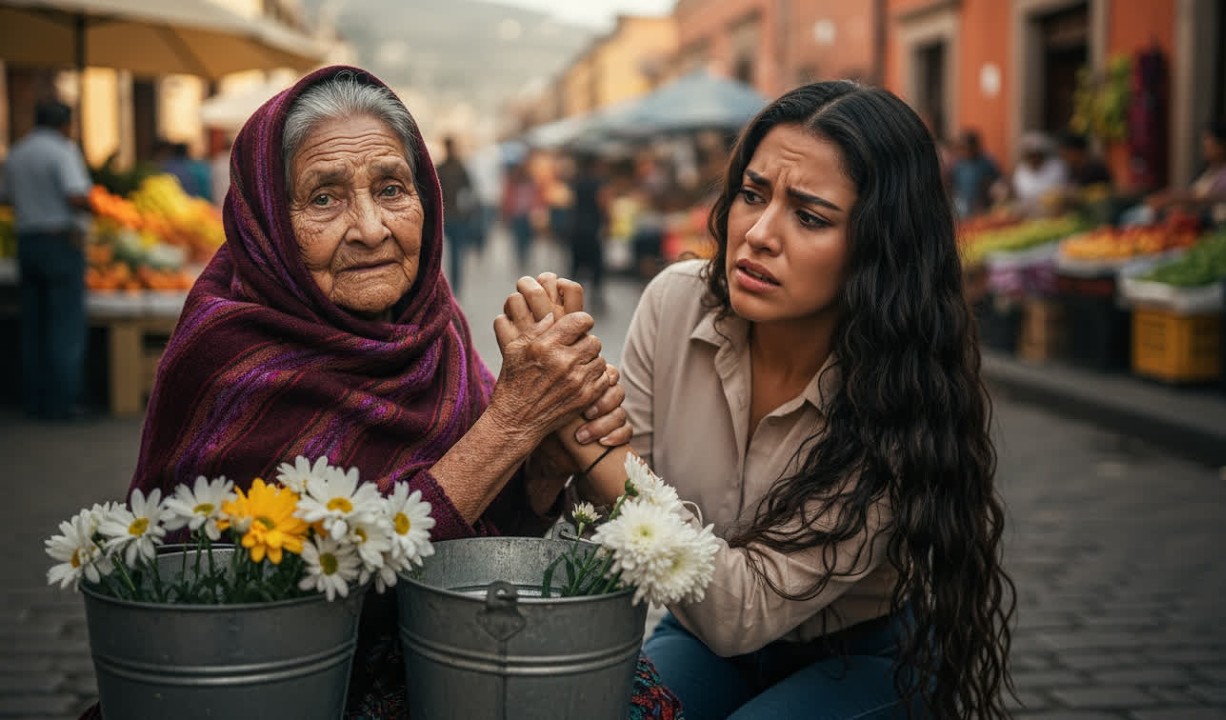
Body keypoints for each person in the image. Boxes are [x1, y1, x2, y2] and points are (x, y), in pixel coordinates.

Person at [80, 66, 681, 719]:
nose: (370, 229)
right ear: (267, 221)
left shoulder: (434, 326)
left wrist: (541, 468)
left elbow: (478, 547)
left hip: (439, 647)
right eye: (324, 198)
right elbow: (282, 605)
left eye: (392, 189)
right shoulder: (229, 355)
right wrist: (509, 425)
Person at [504, 81, 1016, 719]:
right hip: (702, 634)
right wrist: (553, 416)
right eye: (752, 194)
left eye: (810, 217)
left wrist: (583, 436)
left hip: (860, 653)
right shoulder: (676, 303)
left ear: (880, 248)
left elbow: (738, 610)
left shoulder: (900, 388)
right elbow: (614, 514)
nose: (759, 234)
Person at [1, 100, 92, 421]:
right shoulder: (63, 151)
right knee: (64, 324)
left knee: (34, 324)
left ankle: (35, 399)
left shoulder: (16, 152)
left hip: (27, 241)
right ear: (64, 124)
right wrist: (93, 206)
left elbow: (6, 196)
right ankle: (62, 401)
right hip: (60, 242)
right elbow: (75, 195)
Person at [1146, 119, 1226, 211]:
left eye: (1209, 144)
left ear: (1224, 145)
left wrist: (1178, 198)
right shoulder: (1211, 169)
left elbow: (1219, 198)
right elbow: (1195, 193)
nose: (1205, 148)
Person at [567, 152, 609, 309]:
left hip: (576, 227)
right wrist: (607, 221)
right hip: (592, 228)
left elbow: (570, 202)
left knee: (576, 264)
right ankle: (596, 297)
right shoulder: (599, 183)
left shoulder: (576, 182)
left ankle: (571, 297)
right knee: (596, 264)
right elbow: (602, 202)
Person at [435, 136, 474, 294]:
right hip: (454, 215)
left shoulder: (442, 168)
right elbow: (469, 190)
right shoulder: (459, 167)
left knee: (449, 253)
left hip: (448, 215)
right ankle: (453, 286)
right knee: (454, 253)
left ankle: (450, 286)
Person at [949, 130, 1001, 218]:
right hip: (963, 208)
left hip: (983, 208)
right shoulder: (959, 165)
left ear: (975, 146)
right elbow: (954, 186)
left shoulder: (986, 163)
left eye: (968, 147)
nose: (965, 150)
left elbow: (998, 183)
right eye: (963, 147)